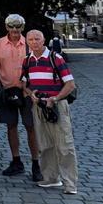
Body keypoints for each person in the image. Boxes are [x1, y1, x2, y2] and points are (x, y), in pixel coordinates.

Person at [22, 30, 79, 195]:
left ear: (43, 40)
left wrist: (55, 98)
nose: (34, 42)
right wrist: (30, 94)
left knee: (64, 145)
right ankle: (51, 178)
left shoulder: (55, 58)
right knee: (45, 144)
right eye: (31, 39)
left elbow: (70, 85)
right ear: (27, 42)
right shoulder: (27, 60)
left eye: (37, 39)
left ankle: (70, 184)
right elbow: (24, 83)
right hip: (39, 106)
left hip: (57, 106)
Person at [0, 14, 41, 181]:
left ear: (22, 28)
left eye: (18, 28)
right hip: (7, 92)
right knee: (11, 126)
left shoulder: (30, 43)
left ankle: (36, 163)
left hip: (27, 93)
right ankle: (16, 161)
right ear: (7, 28)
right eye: (12, 27)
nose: (15, 31)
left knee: (31, 127)